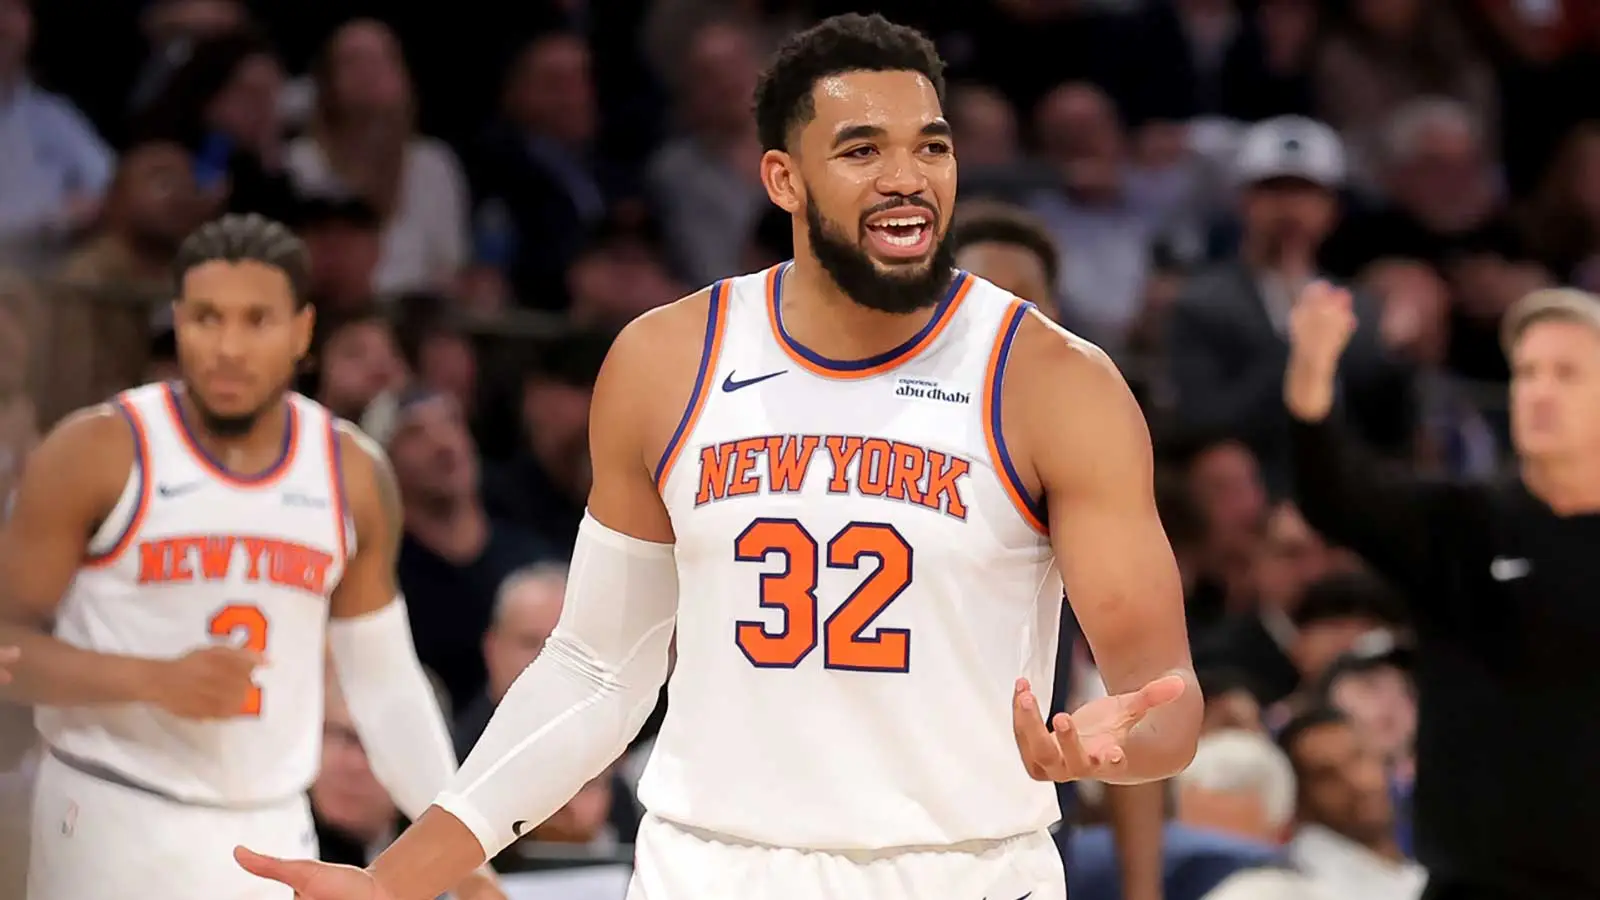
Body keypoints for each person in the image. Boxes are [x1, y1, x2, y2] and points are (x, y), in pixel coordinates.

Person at [236, 14, 1202, 900]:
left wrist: (1114, 747)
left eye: (932, 147)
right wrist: (399, 879)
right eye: (862, 149)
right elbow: (598, 671)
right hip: (712, 865)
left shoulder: (1053, 382)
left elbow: (1164, 701)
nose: (907, 176)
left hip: (965, 870)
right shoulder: (668, 360)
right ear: (783, 179)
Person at [0, 214, 503, 900]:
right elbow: (8, 649)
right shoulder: (95, 452)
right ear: (178, 322)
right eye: (207, 318)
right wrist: (147, 679)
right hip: (107, 812)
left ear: (302, 331)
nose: (229, 347)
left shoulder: (351, 472)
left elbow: (385, 685)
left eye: (256, 321)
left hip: (271, 827)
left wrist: (463, 862)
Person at [1283, 281, 1600, 900]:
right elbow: (1335, 494)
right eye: (1527, 373)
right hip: (1473, 881)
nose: (1539, 391)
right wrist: (1312, 373)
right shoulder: (1464, 523)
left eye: (1567, 374)